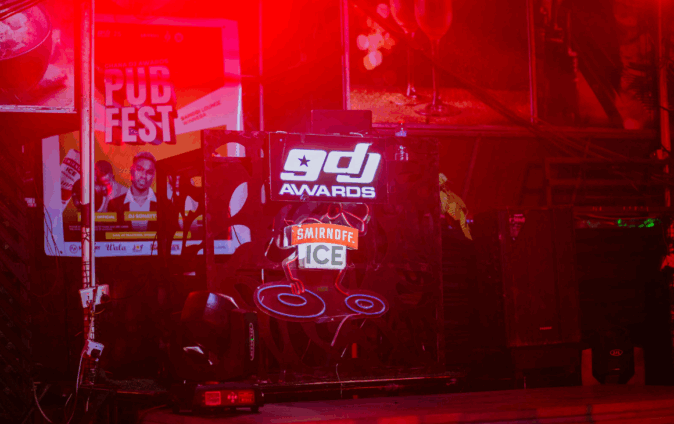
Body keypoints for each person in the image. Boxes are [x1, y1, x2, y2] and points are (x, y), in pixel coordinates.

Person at [109, 151, 157, 231]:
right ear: (131, 170)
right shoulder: (114, 205)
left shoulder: (165, 204)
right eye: (139, 169)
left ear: (153, 176)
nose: (143, 175)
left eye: (149, 172)